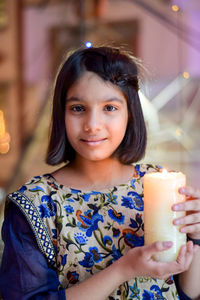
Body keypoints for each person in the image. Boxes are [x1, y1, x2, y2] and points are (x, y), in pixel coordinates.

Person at [0, 46, 200, 300]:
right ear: (61, 113)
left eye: (110, 108)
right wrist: (123, 270)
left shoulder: (159, 187)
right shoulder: (36, 203)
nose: (92, 125)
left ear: (130, 113)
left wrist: (196, 238)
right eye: (78, 108)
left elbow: (186, 293)